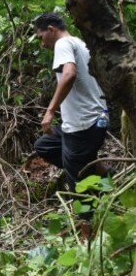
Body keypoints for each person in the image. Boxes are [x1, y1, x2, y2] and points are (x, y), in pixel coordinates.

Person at [33, 12, 108, 191]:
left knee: (77, 181)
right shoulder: (80, 43)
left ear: (51, 29)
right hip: (92, 119)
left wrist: (50, 111)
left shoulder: (63, 43)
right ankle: (101, 173)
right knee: (44, 145)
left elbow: (69, 74)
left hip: (83, 124)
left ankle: (88, 215)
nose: (42, 44)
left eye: (41, 37)